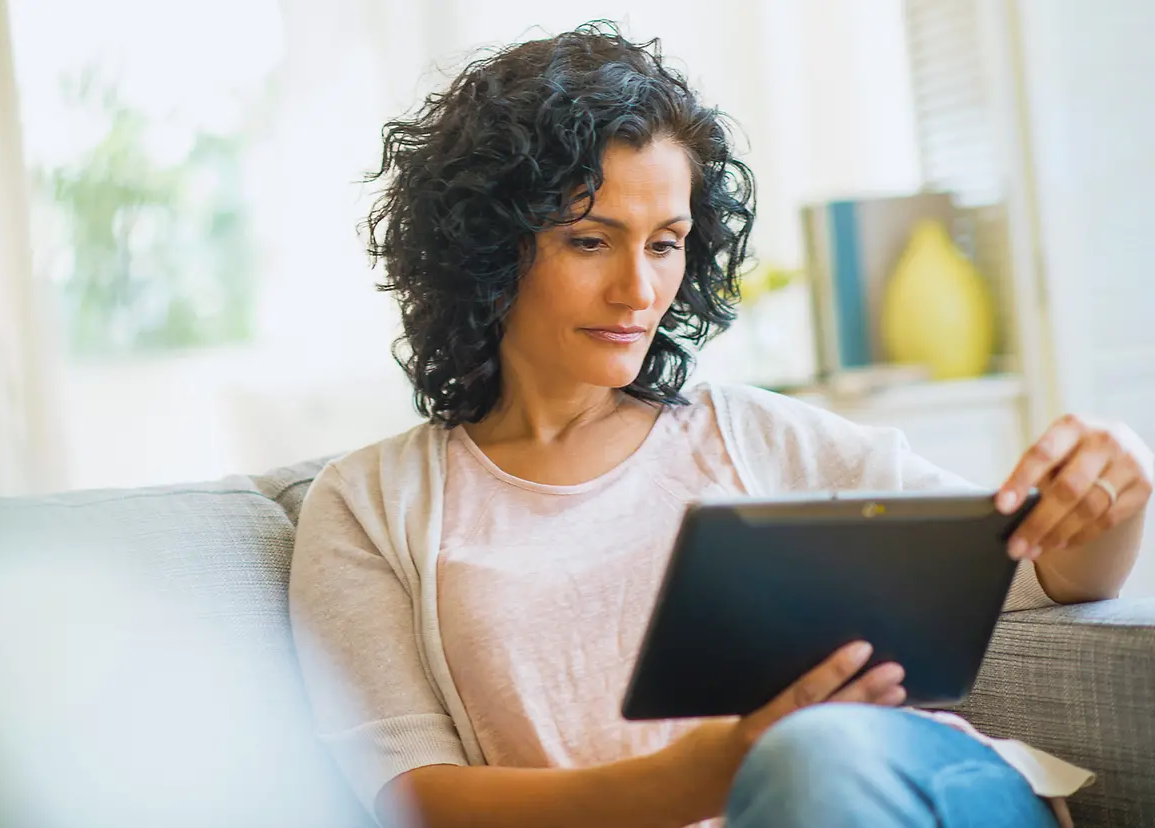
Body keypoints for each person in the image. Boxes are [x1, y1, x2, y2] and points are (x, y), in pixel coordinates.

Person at [288, 22, 1152, 828]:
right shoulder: (371, 505)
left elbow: (1049, 575)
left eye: (665, 242)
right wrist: (702, 775)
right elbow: (413, 799)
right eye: (591, 241)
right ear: (484, 244)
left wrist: (1112, 497)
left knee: (814, 755)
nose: (639, 291)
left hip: (903, 791)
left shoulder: (755, 436)